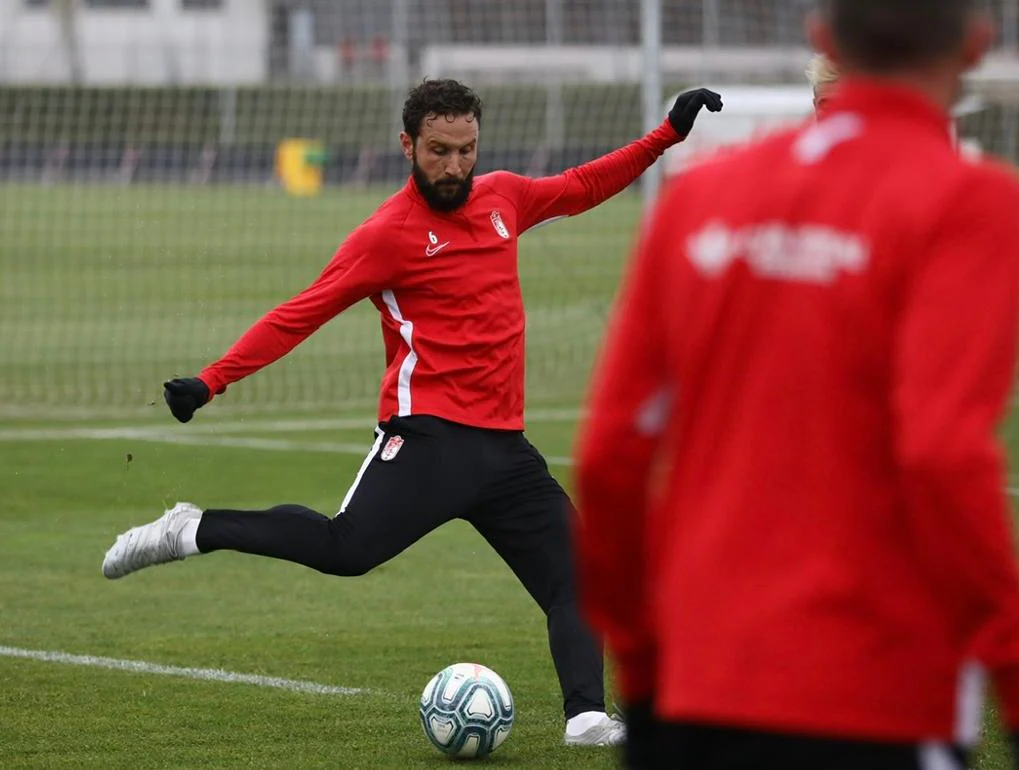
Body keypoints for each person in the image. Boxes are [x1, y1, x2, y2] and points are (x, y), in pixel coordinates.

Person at [100, 77, 722, 747]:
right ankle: (195, 528)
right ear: (407, 145)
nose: (455, 166)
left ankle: (586, 717)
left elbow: (582, 185)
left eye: (466, 150)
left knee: (580, 578)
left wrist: (667, 136)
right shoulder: (387, 236)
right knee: (347, 550)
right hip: (427, 438)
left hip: (505, 452)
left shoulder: (503, 198)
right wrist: (211, 380)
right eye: (438, 151)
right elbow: (300, 314)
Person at [572, 0, 1019, 768]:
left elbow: (609, 457)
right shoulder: (973, 200)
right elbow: (943, 457)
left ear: (821, 38)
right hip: (877, 696)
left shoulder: (702, 195)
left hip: (698, 690)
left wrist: (643, 678)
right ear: (976, 45)